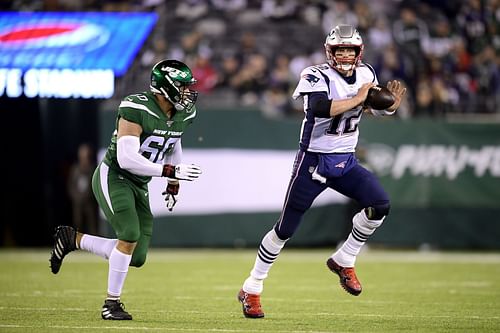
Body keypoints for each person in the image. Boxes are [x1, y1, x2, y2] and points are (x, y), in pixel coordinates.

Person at [237, 24, 406, 318]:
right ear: (329, 51)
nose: (343, 54)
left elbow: (370, 109)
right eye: (339, 49)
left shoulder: (366, 73)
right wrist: (359, 97)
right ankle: (252, 287)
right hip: (313, 161)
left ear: (358, 52)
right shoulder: (315, 74)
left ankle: (345, 258)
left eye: (348, 50)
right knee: (285, 229)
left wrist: (388, 108)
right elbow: (319, 107)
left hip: (346, 160)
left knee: (380, 205)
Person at [49, 59, 202, 320]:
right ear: (166, 87)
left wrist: (173, 180)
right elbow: (126, 158)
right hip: (115, 175)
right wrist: (169, 172)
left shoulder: (184, 113)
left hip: (140, 182)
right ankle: (111, 303)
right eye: (183, 86)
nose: (188, 91)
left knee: (136, 255)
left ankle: (72, 238)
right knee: (129, 234)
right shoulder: (136, 106)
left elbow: (173, 142)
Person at [67, 143, 98, 235]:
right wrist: (76, 197)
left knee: (92, 223)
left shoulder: (93, 168)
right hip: (78, 201)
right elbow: (71, 185)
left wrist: (89, 196)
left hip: (89, 201)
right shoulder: (75, 169)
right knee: (78, 222)